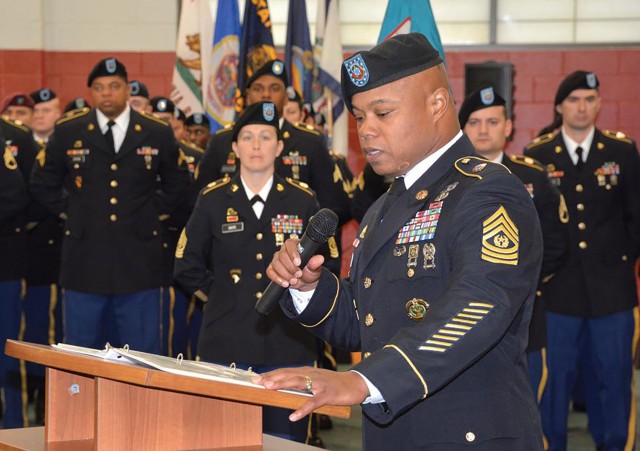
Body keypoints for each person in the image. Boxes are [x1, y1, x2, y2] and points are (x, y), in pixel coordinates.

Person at [253, 33, 544, 450]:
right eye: (358, 116)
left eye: (383, 113)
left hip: (468, 436)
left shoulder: (487, 192)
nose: (365, 130)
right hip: (396, 432)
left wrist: (363, 380)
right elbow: (367, 321)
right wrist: (310, 288)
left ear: (437, 104)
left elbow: (479, 304)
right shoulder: (385, 206)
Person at [173, 101, 320, 443]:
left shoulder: (303, 200)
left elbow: (321, 265)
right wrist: (224, 293)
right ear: (234, 147)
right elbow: (186, 265)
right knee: (223, 439)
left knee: (286, 440)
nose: (256, 145)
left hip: (288, 342)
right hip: (226, 341)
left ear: (280, 146)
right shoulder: (213, 199)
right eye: (248, 137)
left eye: (266, 137)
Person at [29, 57, 189, 354]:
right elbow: (42, 182)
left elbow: (178, 182)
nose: (107, 93)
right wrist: (73, 211)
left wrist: (151, 213)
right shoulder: (69, 131)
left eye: (114, 86)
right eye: (99, 87)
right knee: (81, 354)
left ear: (127, 89)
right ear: (91, 92)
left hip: (140, 262)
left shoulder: (155, 131)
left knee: (142, 356)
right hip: (85, 262)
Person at [524, 71, 640, 451]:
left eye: (590, 99)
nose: (582, 107)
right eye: (574, 100)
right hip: (557, 293)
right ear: (559, 106)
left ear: (599, 104)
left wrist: (621, 265)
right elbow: (534, 226)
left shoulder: (622, 152)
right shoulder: (538, 155)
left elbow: (635, 217)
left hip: (613, 293)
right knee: (554, 383)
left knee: (614, 379)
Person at [458, 85, 569, 401]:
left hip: (523, 312)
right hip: (460, 311)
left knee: (527, 401)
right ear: (463, 129)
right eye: (475, 122)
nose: (483, 130)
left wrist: (516, 281)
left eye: (492, 122)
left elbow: (557, 243)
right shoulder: (446, 179)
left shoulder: (532, 175)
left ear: (508, 128)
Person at [195, 59, 351, 241]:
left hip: (294, 250)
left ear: (286, 97)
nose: (266, 94)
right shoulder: (223, 141)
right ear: (246, 95)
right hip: (232, 246)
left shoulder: (310, 142)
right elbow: (199, 202)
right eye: (258, 88)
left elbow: (333, 205)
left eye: (275, 88)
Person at [0, 128, 30, 429]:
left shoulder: (5, 139)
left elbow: (15, 196)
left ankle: (14, 428)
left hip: (4, 268)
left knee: (7, 348)